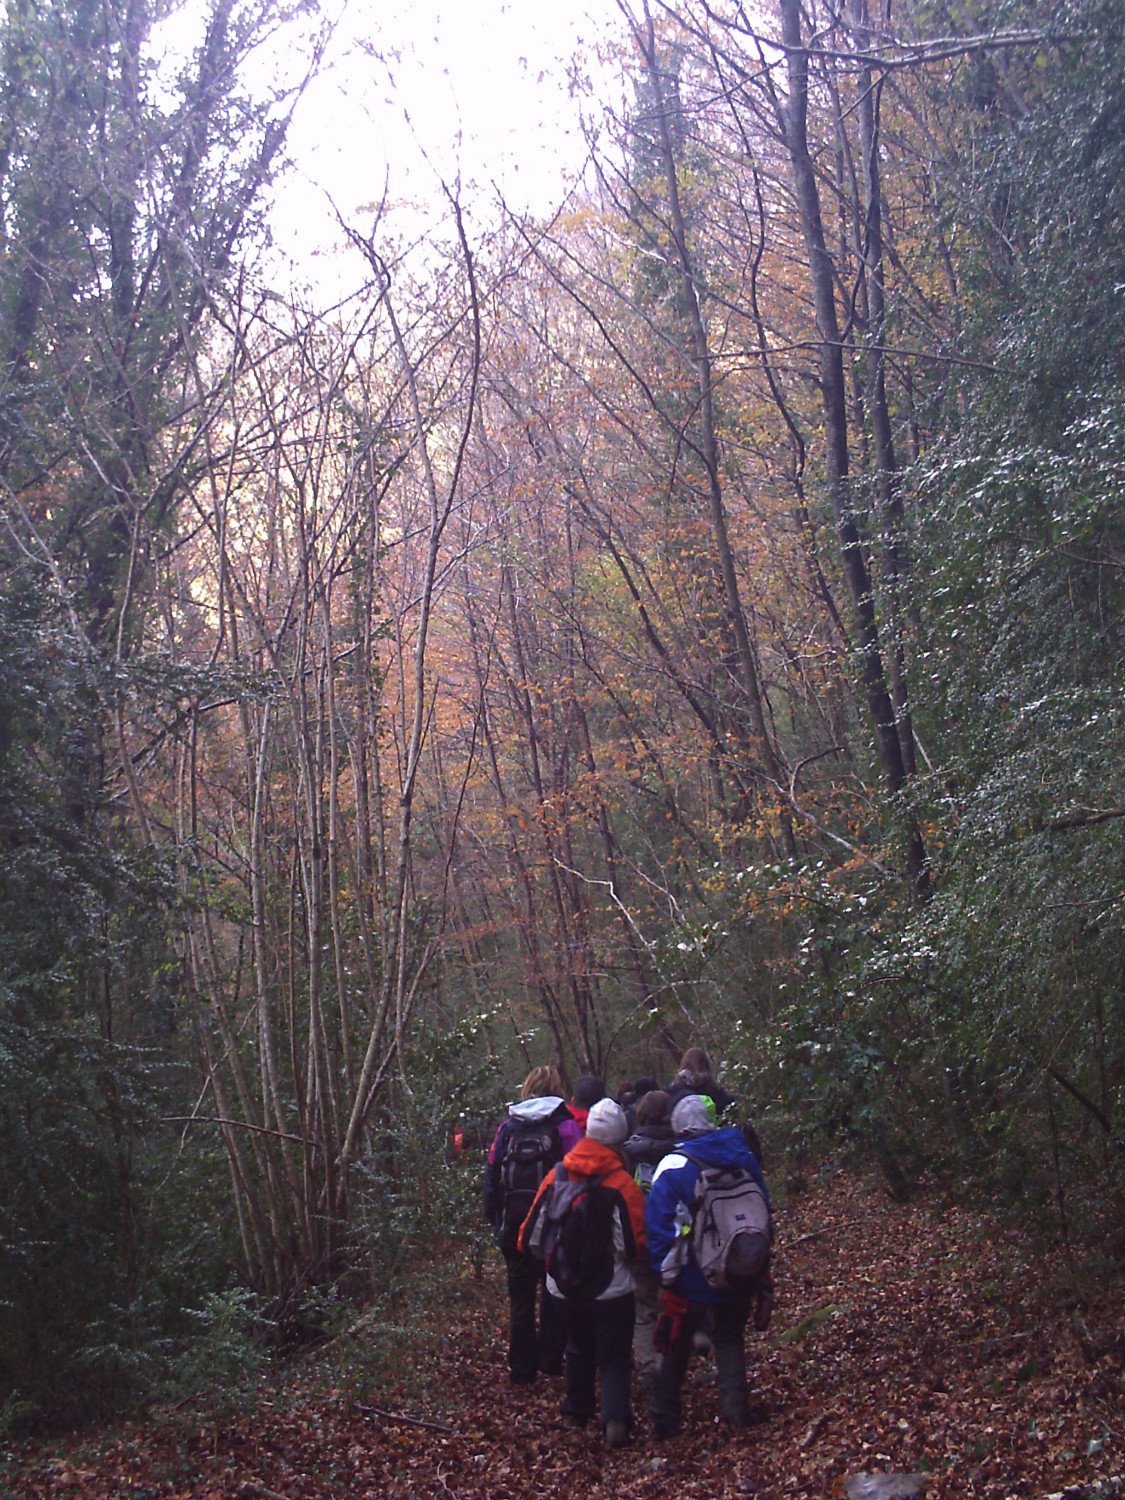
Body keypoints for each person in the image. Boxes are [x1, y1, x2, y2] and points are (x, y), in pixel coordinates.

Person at [519, 1098, 646, 1449]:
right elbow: (633, 1245)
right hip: (613, 1289)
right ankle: (616, 1420)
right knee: (615, 1355)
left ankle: (576, 1410)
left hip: (564, 1288)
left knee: (577, 1346)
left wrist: (555, 1266)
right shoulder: (622, 1184)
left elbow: (530, 1235)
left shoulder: (558, 1175)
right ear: (619, 1140)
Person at [645, 1094, 772, 1437]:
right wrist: (760, 1273)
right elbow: (763, 1215)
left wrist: (666, 1279)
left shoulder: (673, 1165)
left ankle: (664, 1421)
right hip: (738, 1269)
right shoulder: (742, 1156)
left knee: (675, 1348)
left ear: (677, 1125)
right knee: (730, 1340)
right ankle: (735, 1413)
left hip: (691, 1278)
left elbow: (660, 1228)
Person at [482, 1065, 581, 1384]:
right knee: (553, 1292)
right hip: (554, 1226)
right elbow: (579, 1175)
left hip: (514, 1225)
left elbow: (492, 1176)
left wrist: (497, 1220)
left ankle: (521, 1369)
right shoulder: (566, 1127)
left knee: (520, 1297)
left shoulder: (508, 1128)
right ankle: (550, 1359)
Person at [621, 1088, 674, 1385]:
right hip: (676, 1238)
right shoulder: (681, 1147)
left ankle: (648, 1365)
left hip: (641, 1235)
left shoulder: (628, 1152)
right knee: (673, 1302)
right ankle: (671, 1360)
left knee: (644, 1306)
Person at [666, 1045, 765, 1166]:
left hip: (684, 1153)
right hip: (718, 1149)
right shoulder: (717, 1092)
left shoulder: (672, 1092)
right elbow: (733, 1119)